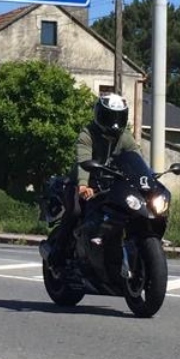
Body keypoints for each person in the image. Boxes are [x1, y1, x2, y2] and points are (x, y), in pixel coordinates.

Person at [52, 93, 140, 257]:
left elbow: (136, 159)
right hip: (82, 183)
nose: (114, 123)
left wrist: (145, 178)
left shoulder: (125, 137)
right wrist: (83, 185)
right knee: (75, 211)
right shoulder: (88, 134)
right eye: (109, 116)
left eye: (118, 117)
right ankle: (58, 252)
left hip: (110, 185)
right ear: (99, 114)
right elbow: (83, 161)